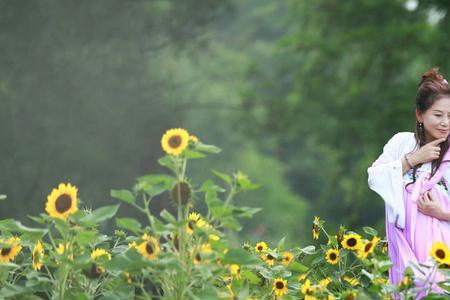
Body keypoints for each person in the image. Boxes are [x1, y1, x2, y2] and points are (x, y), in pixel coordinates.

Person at [368, 68, 450, 297]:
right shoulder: (401, 143)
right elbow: (375, 176)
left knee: (436, 291)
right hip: (403, 243)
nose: (445, 123)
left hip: (443, 249)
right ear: (419, 115)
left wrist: (441, 213)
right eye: (438, 115)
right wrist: (415, 159)